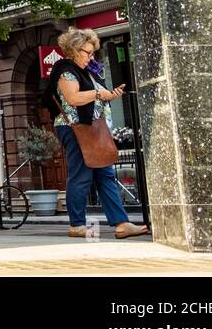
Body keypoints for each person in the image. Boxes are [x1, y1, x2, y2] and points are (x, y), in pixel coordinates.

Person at [45, 28, 148, 240]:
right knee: (82, 175)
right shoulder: (65, 69)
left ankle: (121, 224)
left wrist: (110, 94)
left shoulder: (87, 72)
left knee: (106, 175)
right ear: (74, 49)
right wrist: (99, 93)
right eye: (87, 52)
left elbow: (96, 96)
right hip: (75, 128)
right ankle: (77, 225)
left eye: (93, 53)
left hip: (94, 128)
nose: (91, 56)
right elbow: (73, 98)